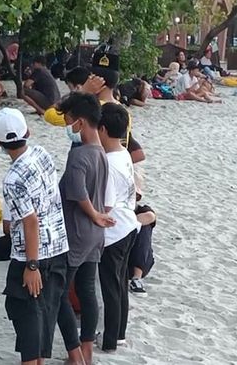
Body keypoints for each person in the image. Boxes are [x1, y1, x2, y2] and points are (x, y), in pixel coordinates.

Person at [0, 108, 69, 365]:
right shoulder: (42, 153)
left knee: (26, 320)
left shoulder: (13, 178)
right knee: (43, 319)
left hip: (33, 255)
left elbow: (30, 221)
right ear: (28, 132)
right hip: (58, 245)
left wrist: (32, 265)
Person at [55, 92, 115, 365]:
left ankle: (75, 353)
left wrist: (93, 214)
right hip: (95, 235)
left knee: (58, 293)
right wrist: (99, 217)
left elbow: (77, 193)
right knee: (88, 290)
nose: (67, 127)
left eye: (68, 121)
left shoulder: (79, 155)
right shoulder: (101, 151)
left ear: (80, 122)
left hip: (78, 232)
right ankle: (87, 349)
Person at [98, 103, 140, 352]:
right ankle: (119, 333)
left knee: (111, 287)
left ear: (102, 129)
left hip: (114, 232)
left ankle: (111, 339)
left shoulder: (109, 164)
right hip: (129, 225)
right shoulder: (123, 152)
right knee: (120, 283)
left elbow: (105, 205)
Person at [129, 204, 156, 294]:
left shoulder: (141, 210)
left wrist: (125, 222)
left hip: (135, 261)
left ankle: (137, 278)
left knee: (145, 227)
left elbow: (151, 216)